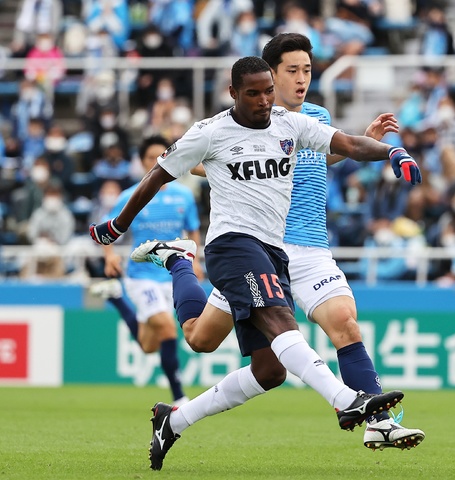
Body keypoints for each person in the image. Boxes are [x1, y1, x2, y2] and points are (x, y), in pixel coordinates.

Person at [89, 55, 420, 470]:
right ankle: (346, 400)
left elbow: (350, 145)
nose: (263, 101)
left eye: (267, 92)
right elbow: (158, 174)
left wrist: (392, 151)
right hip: (232, 246)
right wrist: (116, 226)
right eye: (253, 93)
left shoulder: (290, 123)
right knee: (280, 319)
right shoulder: (210, 132)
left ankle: (173, 417)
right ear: (233, 93)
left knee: (263, 368)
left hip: (272, 252)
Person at [189, 33, 425, 451]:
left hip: (311, 246)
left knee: (345, 321)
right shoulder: (239, 124)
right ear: (270, 75)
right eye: (293, 71)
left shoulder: (316, 115)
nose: (302, 79)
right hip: (257, 251)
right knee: (201, 340)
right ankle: (177, 264)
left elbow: (320, 155)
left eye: (308, 71)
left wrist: (360, 143)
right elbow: (196, 162)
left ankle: (379, 422)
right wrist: (241, 168)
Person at [90, 135, 201, 407]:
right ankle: (179, 397)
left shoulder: (184, 195)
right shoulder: (131, 196)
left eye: (161, 155)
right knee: (167, 328)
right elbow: (107, 228)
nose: (156, 161)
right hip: (141, 276)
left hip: (172, 275)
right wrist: (109, 256)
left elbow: (193, 229)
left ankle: (116, 298)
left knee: (148, 345)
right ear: (141, 163)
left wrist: (196, 261)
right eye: (150, 157)